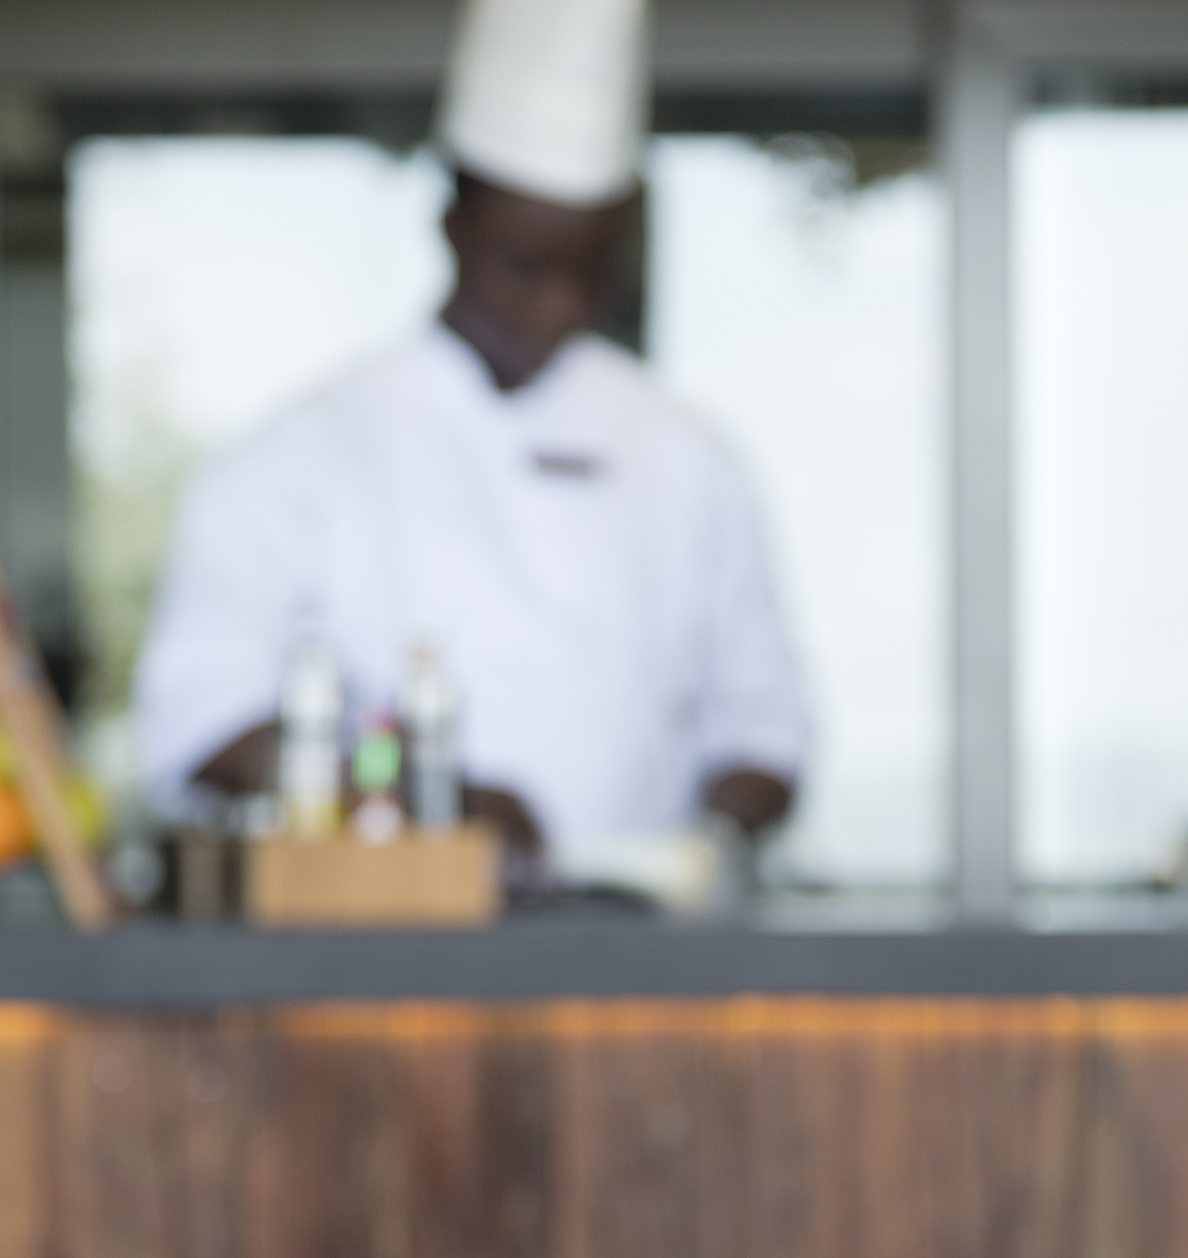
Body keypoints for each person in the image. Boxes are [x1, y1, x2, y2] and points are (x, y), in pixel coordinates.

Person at [131, 0, 809, 875]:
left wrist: (699, 848)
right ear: (452, 223)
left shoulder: (689, 454)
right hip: (380, 931)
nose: (560, 304)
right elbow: (201, 724)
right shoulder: (297, 454)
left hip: (639, 939)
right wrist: (427, 801)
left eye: (590, 270)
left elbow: (766, 729)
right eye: (528, 265)